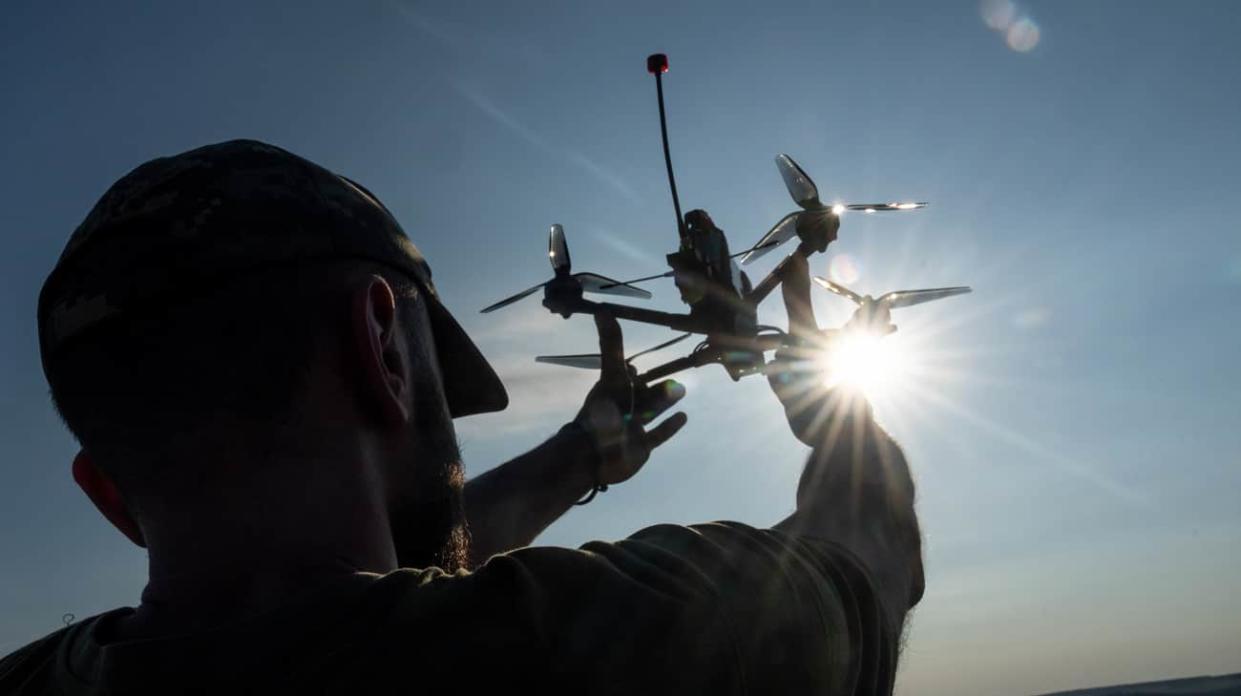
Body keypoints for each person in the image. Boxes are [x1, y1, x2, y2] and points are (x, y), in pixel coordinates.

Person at [0, 140, 923, 695]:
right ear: (385, 351)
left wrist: (578, 458)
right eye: (441, 375)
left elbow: (360, 592)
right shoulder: (613, 639)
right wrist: (819, 386)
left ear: (108, 495)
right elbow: (872, 555)